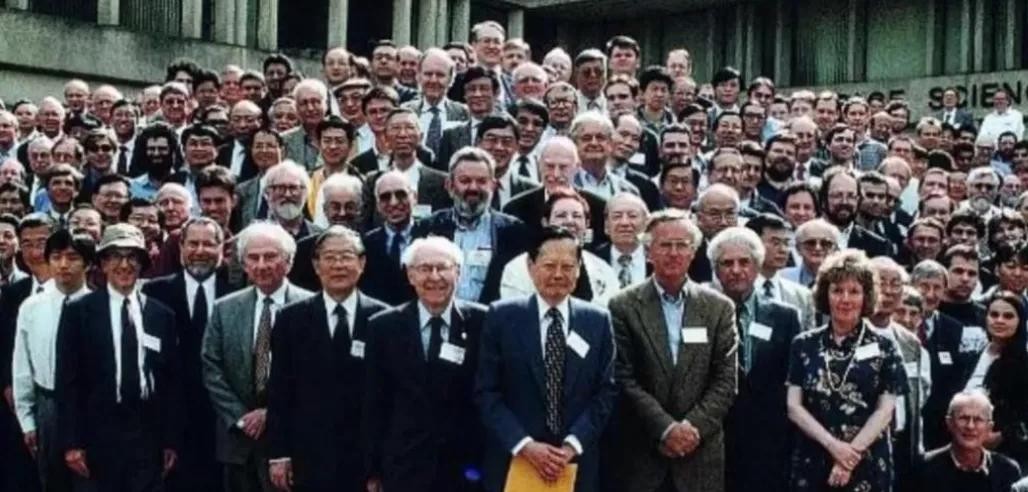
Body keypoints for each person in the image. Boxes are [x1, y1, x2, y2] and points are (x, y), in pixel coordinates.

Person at [475, 225, 618, 492]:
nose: (558, 274)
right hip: (514, 459)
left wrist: (572, 445)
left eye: (568, 266)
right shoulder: (501, 317)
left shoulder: (597, 321)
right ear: (531, 267)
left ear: (579, 269)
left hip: (575, 463)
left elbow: (606, 392)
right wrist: (525, 445)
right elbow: (487, 392)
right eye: (549, 265)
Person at [606, 210, 738, 492]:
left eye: (682, 245)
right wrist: (666, 429)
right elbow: (623, 376)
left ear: (693, 252)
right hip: (644, 454)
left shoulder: (719, 308)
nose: (674, 253)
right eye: (665, 245)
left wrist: (690, 429)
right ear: (648, 252)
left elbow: (726, 381)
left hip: (700, 454)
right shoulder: (622, 306)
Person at [55, 223, 184, 491]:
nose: (124, 265)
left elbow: (171, 383)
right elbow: (67, 382)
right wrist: (72, 442)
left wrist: (170, 440)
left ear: (142, 264)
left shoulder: (161, 315)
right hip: (96, 433)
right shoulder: (79, 312)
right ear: (102, 264)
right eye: (115, 256)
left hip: (147, 433)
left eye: (132, 257)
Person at [265, 226, 389, 491]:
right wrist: (279, 453)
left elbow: (389, 398)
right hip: (308, 455)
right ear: (316, 265)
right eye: (330, 257)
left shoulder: (384, 319)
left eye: (346, 256)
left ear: (362, 263)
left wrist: (381, 463)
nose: (338, 265)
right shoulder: (291, 319)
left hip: (365, 457)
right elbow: (280, 391)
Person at [363, 237, 488, 492]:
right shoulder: (383, 326)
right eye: (424, 269)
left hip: (468, 468)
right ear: (410, 275)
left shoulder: (483, 322)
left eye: (442, 267)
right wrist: (373, 469)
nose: (434, 277)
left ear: (458, 272)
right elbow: (375, 403)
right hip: (405, 466)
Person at [201, 222, 313, 492]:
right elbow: (211, 367)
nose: (261, 265)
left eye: (270, 256)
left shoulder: (311, 307)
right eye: (253, 258)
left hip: (293, 442)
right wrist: (241, 417)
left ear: (288, 262)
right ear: (243, 264)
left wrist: (272, 413)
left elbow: (314, 376)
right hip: (239, 443)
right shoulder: (224, 309)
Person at [786, 249, 907, 491]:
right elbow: (794, 407)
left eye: (854, 291)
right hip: (814, 456)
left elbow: (885, 411)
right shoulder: (804, 344)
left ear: (866, 296)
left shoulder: (885, 346)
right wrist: (834, 447)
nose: (845, 299)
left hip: (866, 459)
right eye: (837, 290)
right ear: (825, 294)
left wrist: (849, 457)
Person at [141, 217, 237, 492]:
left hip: (221, 417)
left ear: (221, 249)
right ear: (181, 247)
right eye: (193, 243)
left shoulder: (237, 291)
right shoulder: (154, 292)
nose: (200, 251)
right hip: (172, 417)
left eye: (209, 244)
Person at [709, 226, 801, 492]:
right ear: (715, 269)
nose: (736, 270)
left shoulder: (785, 317)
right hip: (714, 440)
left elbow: (792, 380)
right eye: (727, 263)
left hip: (769, 443)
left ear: (758, 266)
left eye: (744, 262)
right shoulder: (700, 313)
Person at [11, 230, 93, 491]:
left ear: (88, 264)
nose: (63, 265)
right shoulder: (31, 307)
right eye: (56, 257)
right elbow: (22, 367)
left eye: (72, 257)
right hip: (48, 405)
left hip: (88, 408)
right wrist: (27, 420)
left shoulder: (98, 306)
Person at [412, 147, 528, 304]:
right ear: (449, 185)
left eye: (481, 181)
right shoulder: (428, 228)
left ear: (493, 186)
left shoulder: (513, 231)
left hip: (490, 317)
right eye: (465, 181)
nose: (473, 188)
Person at [499, 188, 619, 306]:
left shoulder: (603, 270)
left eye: (577, 216)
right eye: (561, 215)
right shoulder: (517, 268)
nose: (569, 221)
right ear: (545, 222)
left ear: (587, 224)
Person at [963, 290, 1028, 470]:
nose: (999, 320)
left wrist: (1000, 436)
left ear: (1020, 321)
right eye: (994, 314)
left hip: (1007, 455)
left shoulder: (1024, 363)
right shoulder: (972, 355)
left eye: (1008, 316)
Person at [916, 390, 1022, 492]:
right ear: (949, 423)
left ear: (989, 427)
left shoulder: (1007, 470)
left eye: (978, 419)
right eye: (963, 418)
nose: (970, 426)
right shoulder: (926, 468)